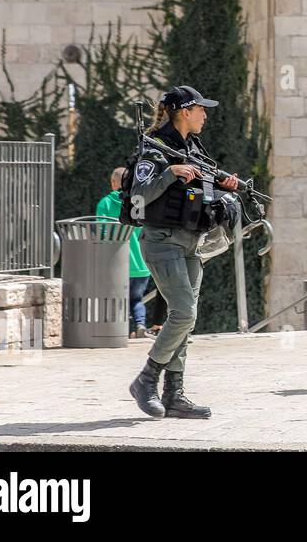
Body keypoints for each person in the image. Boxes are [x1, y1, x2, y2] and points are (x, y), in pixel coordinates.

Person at [128, 86, 239, 419]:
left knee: (185, 320)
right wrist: (169, 173)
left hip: (192, 241)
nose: (206, 114)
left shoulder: (193, 147)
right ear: (184, 112)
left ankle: (174, 393)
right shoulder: (155, 149)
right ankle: (146, 379)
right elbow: (137, 193)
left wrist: (224, 186)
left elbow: (199, 189)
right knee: (184, 312)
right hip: (161, 241)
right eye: (201, 109)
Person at [97, 167, 151, 338]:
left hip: (117, 264)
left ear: (114, 182)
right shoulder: (138, 202)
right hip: (142, 265)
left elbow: (101, 234)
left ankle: (120, 331)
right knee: (136, 299)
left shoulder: (105, 203)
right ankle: (140, 324)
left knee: (117, 299)